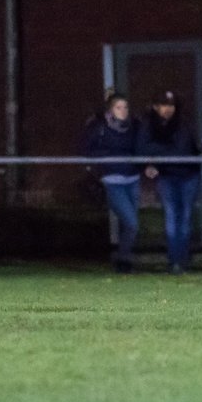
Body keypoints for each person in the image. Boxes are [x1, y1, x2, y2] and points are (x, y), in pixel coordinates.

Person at [137, 89, 201, 275]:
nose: (168, 109)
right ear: (156, 106)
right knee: (172, 219)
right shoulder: (149, 124)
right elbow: (141, 148)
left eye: (171, 105)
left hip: (188, 176)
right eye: (164, 105)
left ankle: (183, 261)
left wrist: (156, 156)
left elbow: (181, 150)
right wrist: (159, 156)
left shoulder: (183, 123)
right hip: (166, 177)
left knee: (185, 218)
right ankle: (175, 262)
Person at [82, 91, 141, 273]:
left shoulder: (134, 126)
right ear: (110, 110)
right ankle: (123, 259)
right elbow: (86, 149)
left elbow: (141, 146)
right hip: (112, 180)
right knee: (132, 223)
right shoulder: (99, 128)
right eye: (118, 107)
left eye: (125, 107)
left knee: (128, 223)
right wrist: (108, 160)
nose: (123, 111)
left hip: (133, 178)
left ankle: (124, 259)